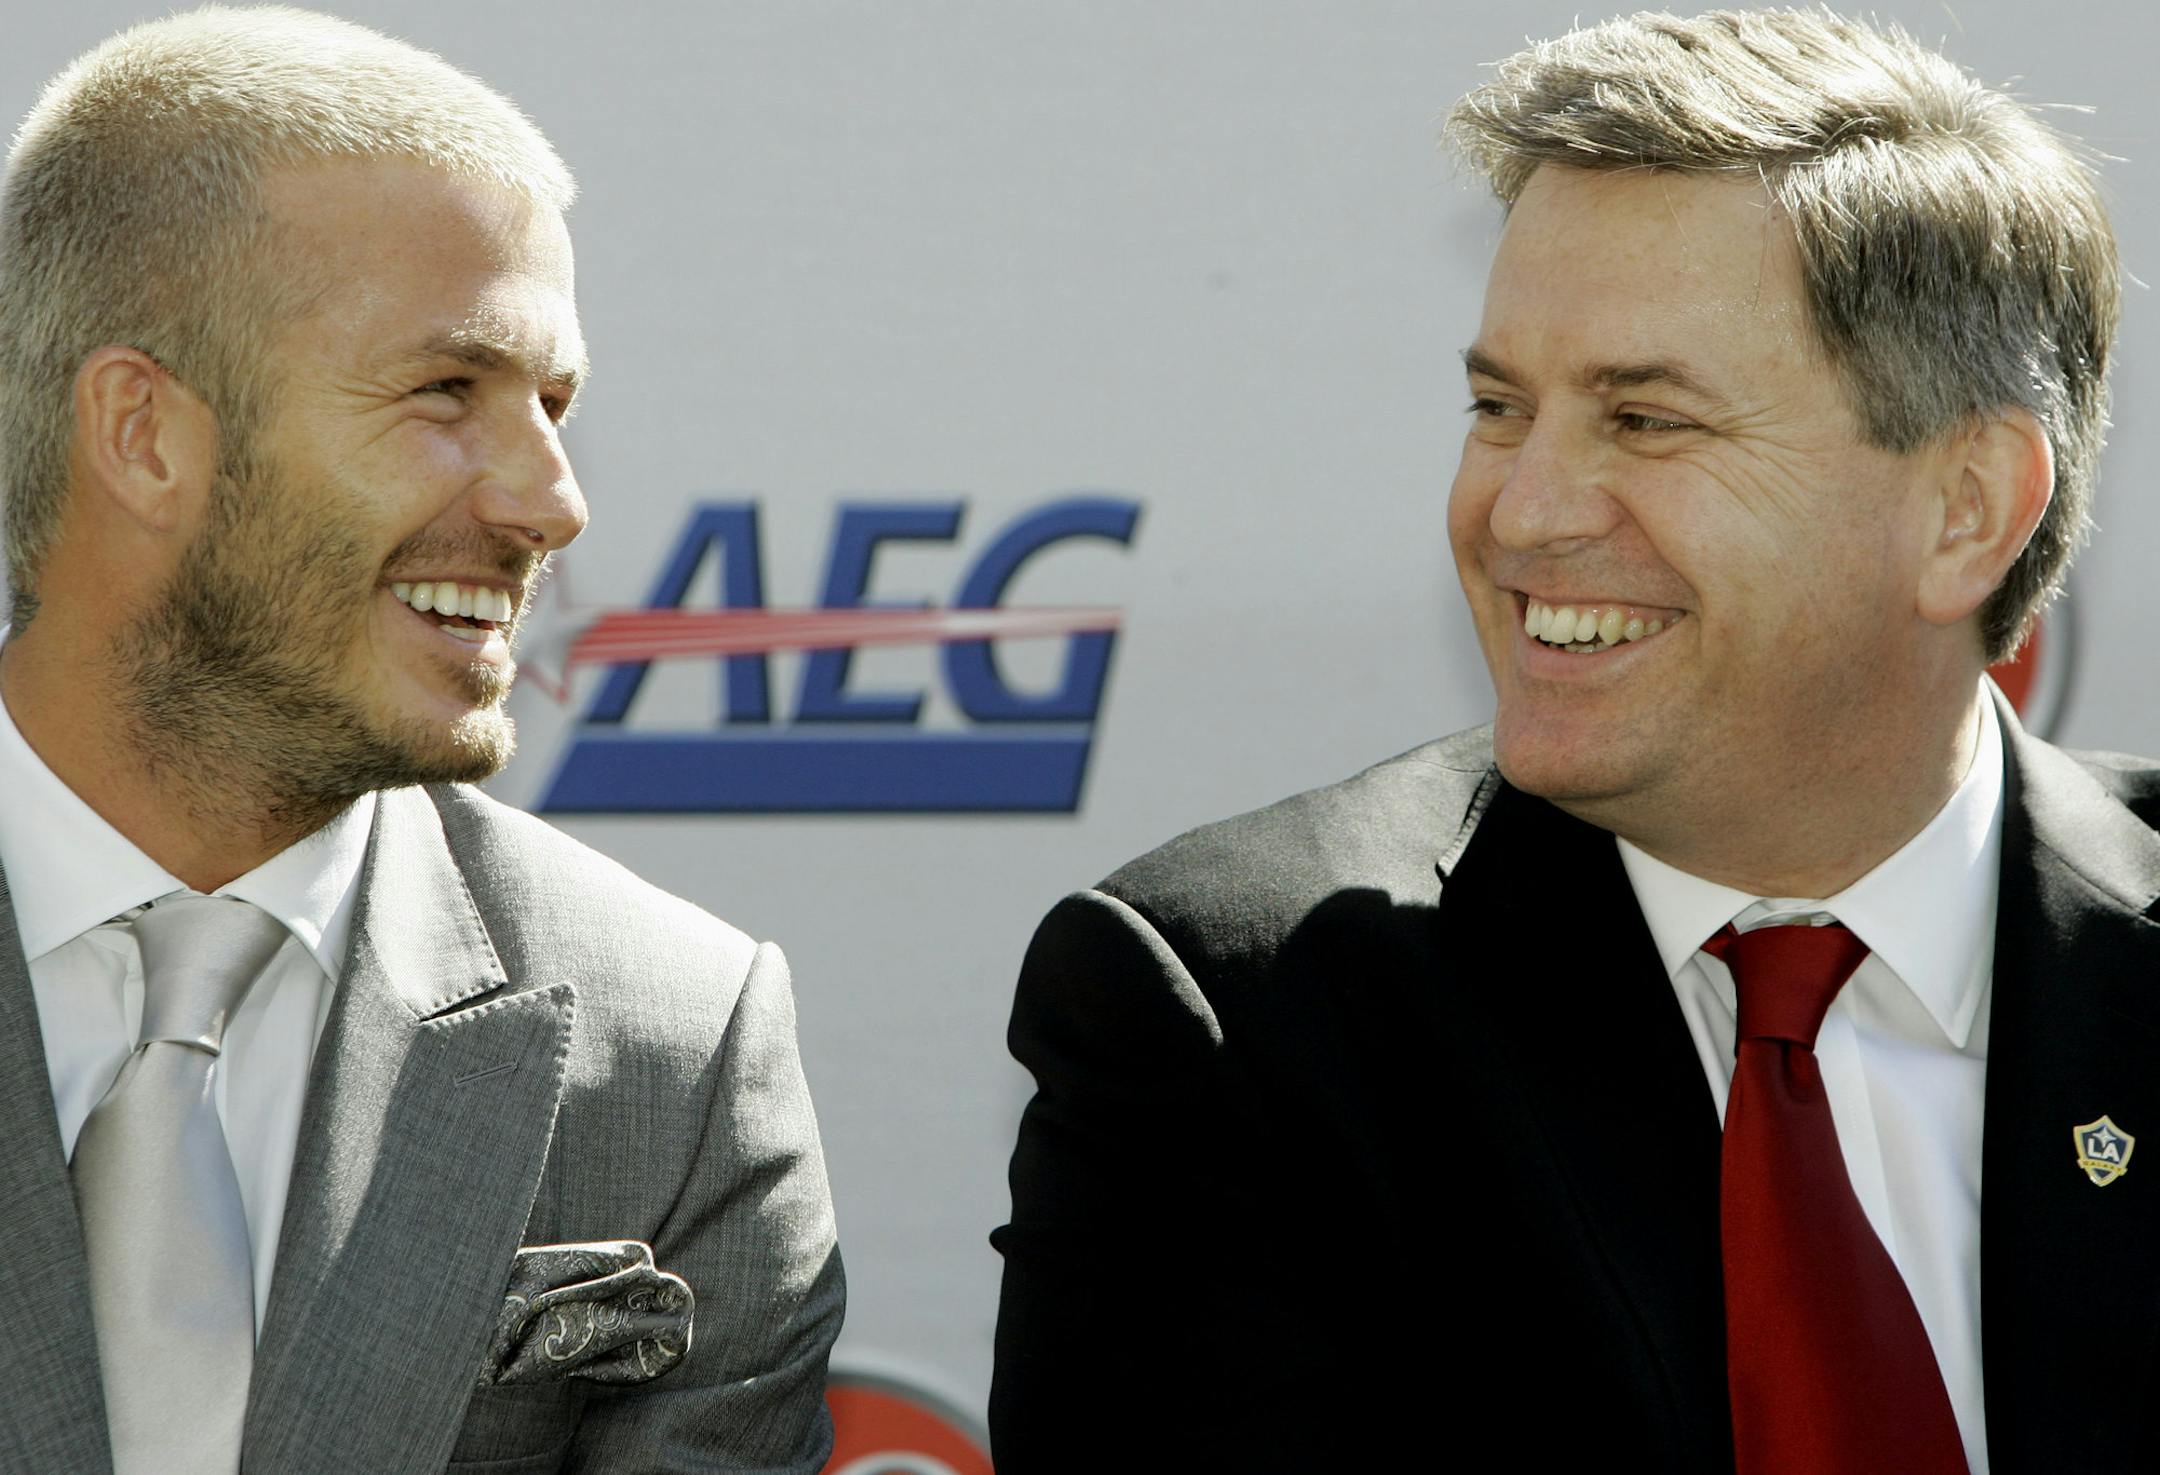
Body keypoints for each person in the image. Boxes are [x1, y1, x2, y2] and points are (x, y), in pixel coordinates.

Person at [992, 10, 2145, 1473]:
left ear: (1967, 507)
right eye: (1499, 407)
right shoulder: (1244, 1021)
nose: (1523, 512)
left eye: (1646, 421)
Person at [0, 9, 842, 1473]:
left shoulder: (677, 1053)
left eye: (555, 402)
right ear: (141, 433)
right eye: (446, 390)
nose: (553, 503)